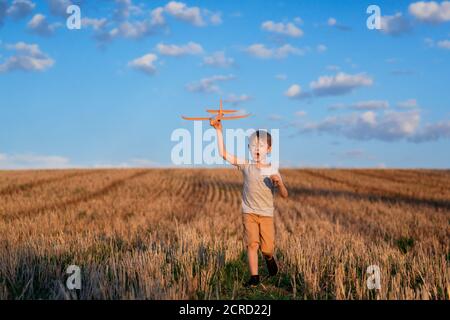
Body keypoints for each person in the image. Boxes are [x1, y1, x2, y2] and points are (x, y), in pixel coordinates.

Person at [210, 118, 289, 287]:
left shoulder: (273, 170)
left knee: (267, 248)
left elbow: (284, 195)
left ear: (269, 149)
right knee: (252, 244)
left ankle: (269, 258)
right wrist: (218, 130)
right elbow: (223, 154)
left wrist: (280, 183)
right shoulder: (246, 165)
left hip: (266, 214)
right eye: (253, 146)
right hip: (249, 212)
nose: (256, 149)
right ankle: (254, 278)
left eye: (260, 146)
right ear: (249, 149)